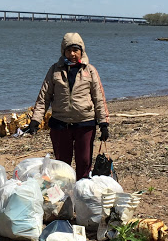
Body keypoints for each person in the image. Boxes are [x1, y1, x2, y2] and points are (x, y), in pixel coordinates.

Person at [29, 32, 109, 180]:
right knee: (61, 165)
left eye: (75, 50)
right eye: (68, 50)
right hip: (60, 125)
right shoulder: (55, 70)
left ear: (81, 51)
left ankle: (81, 190)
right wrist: (36, 120)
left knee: (84, 162)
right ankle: (65, 193)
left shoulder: (89, 70)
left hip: (85, 124)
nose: (72, 54)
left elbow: (99, 98)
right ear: (63, 51)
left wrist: (103, 123)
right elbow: (44, 97)